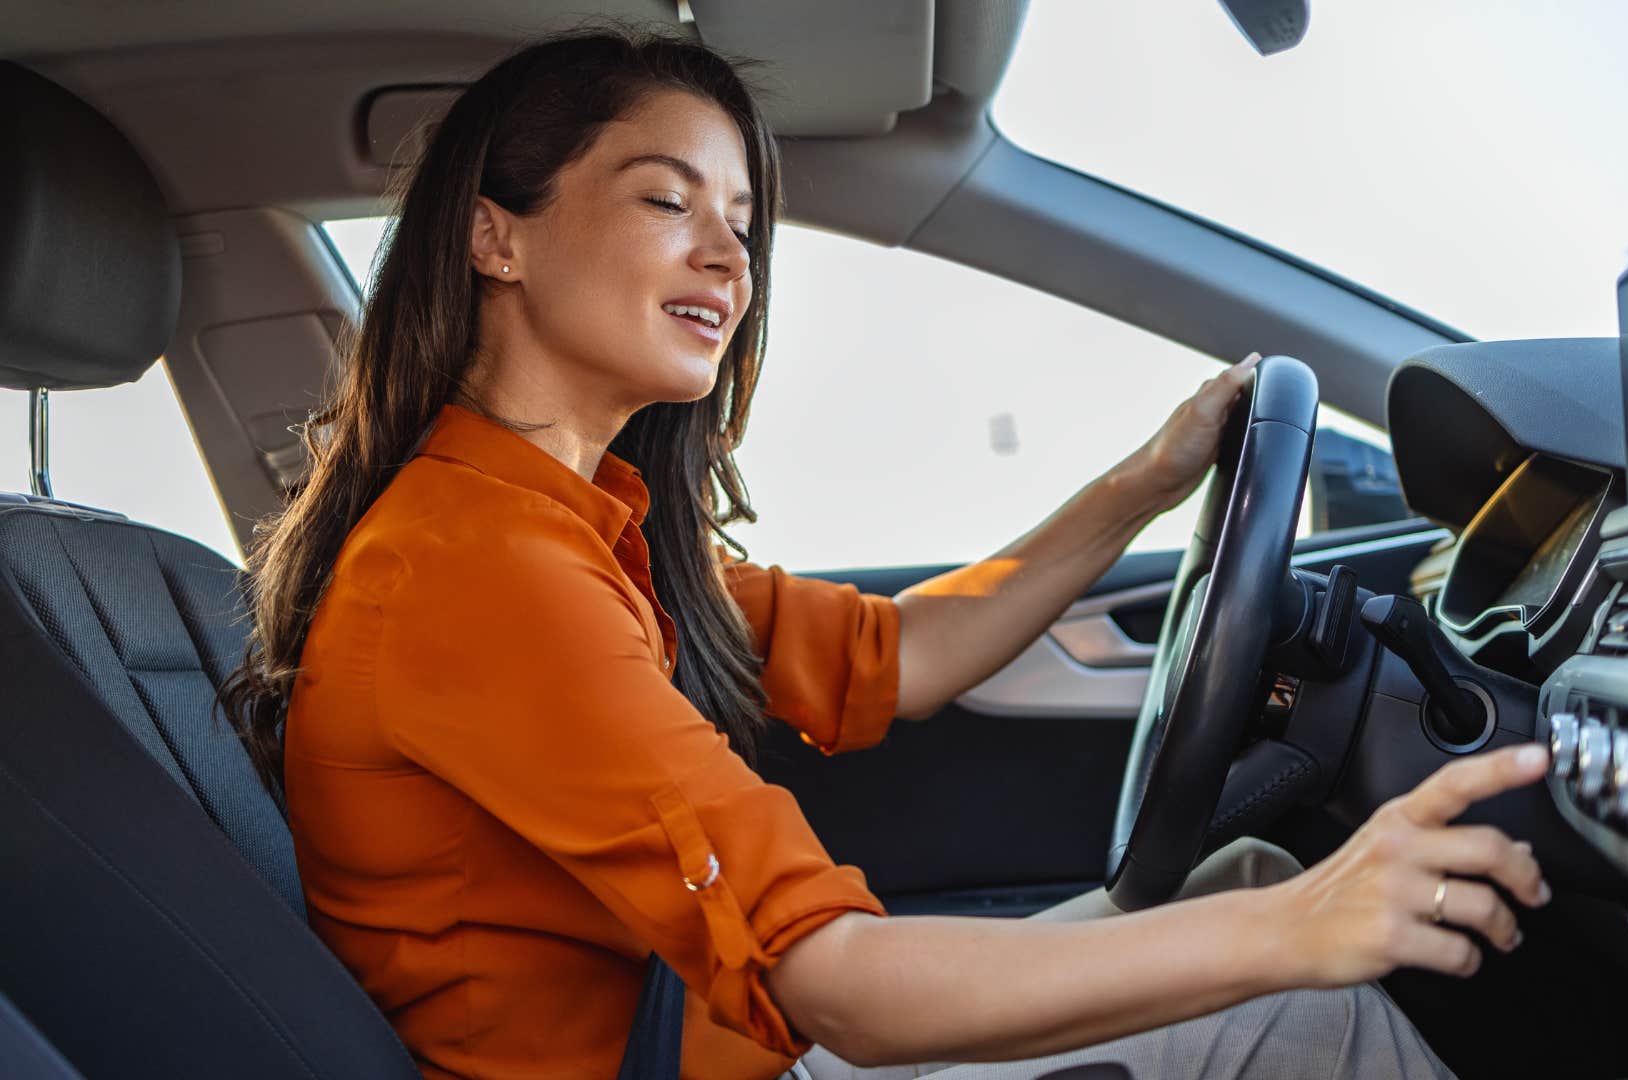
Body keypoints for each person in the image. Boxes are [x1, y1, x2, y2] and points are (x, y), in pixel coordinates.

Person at [219, 28, 1551, 1080]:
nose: (728, 257)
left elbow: (897, 657)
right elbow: (840, 990)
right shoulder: (476, 571)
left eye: (742, 220)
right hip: (696, 1066)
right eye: (667, 199)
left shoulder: (570, 529)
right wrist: (1306, 933)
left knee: (1253, 878)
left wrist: (1142, 484)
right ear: (494, 236)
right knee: (1308, 1009)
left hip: (699, 1044)